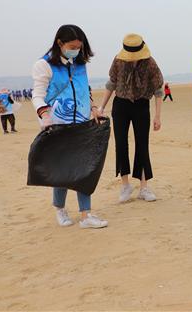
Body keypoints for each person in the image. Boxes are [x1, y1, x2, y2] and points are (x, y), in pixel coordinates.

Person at [32, 24, 108, 229]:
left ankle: (86, 215)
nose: (76, 50)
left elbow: (85, 89)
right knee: (63, 170)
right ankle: (60, 208)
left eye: (79, 47)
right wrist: (45, 115)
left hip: (83, 123)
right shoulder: (44, 64)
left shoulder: (80, 63)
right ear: (60, 43)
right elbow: (37, 95)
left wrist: (93, 108)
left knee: (85, 168)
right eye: (72, 46)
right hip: (58, 125)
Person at [98, 33, 164, 203]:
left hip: (141, 105)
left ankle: (144, 187)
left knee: (142, 145)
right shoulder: (118, 61)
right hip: (120, 105)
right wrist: (101, 107)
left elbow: (158, 90)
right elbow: (111, 83)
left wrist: (157, 116)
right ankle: (125, 185)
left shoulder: (150, 63)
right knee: (121, 144)